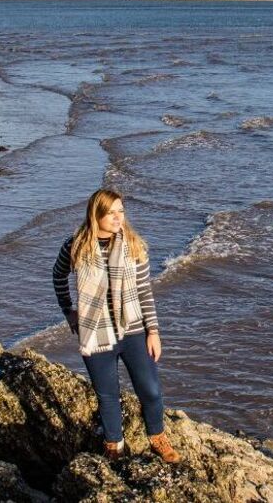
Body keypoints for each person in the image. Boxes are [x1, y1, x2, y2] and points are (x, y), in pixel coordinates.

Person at [52, 188, 181, 463]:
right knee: (108, 396)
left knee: (151, 390)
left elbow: (145, 291)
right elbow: (58, 276)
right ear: (96, 214)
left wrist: (154, 332)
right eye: (110, 212)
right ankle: (114, 446)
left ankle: (157, 437)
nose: (117, 217)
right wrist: (69, 311)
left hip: (133, 330)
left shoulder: (134, 245)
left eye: (121, 211)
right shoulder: (75, 246)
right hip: (95, 332)